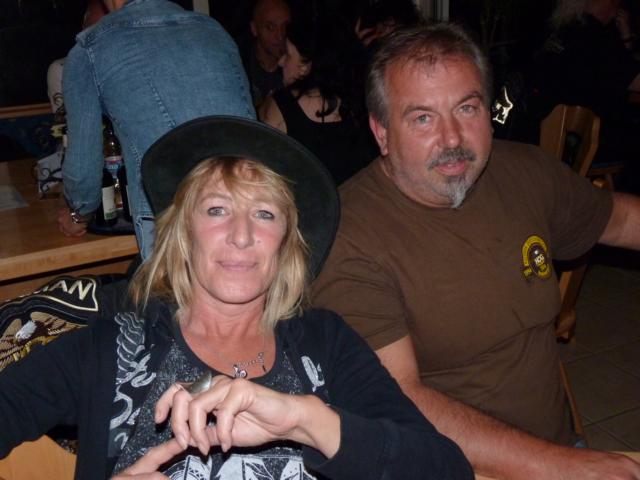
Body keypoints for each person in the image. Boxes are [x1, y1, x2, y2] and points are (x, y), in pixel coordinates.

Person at [0, 116, 473, 480]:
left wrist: (307, 421)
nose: (242, 236)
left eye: (265, 214)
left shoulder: (326, 345)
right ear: (183, 233)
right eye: (217, 209)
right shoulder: (111, 350)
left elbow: (446, 470)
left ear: (287, 243)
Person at [312, 24, 640, 479]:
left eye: (466, 108)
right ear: (381, 132)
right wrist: (572, 467)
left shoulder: (524, 172)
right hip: (454, 468)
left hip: (559, 447)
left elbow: (620, 220)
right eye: (422, 118)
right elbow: (399, 400)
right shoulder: (349, 237)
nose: (452, 139)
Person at [56, 0, 256, 259]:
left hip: (171, 219)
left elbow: (83, 169)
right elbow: (251, 131)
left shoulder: (90, 49)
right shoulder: (213, 30)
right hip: (249, 208)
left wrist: (78, 214)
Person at [259, 14, 376, 185]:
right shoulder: (364, 103)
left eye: (288, 54)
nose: (281, 62)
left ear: (306, 66)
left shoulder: (282, 106)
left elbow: (263, 175)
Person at [240, 0, 291, 106]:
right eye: (270, 27)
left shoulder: (297, 66)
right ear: (254, 29)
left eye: (285, 27)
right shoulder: (240, 66)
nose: (280, 36)